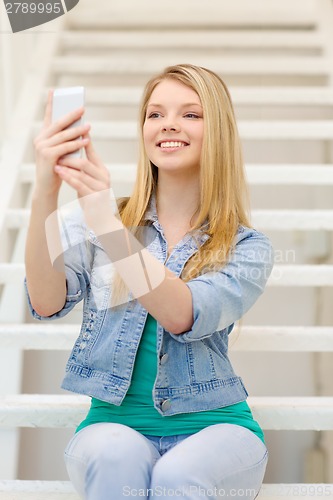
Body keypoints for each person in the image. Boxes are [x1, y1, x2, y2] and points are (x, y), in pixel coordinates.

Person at [25, 64, 274, 500]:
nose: (169, 124)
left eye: (191, 114)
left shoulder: (246, 246)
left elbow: (183, 314)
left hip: (217, 430)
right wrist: (45, 189)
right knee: (114, 454)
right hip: (112, 425)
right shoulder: (109, 223)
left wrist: (104, 220)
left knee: (177, 476)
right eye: (155, 114)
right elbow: (45, 302)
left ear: (218, 131)